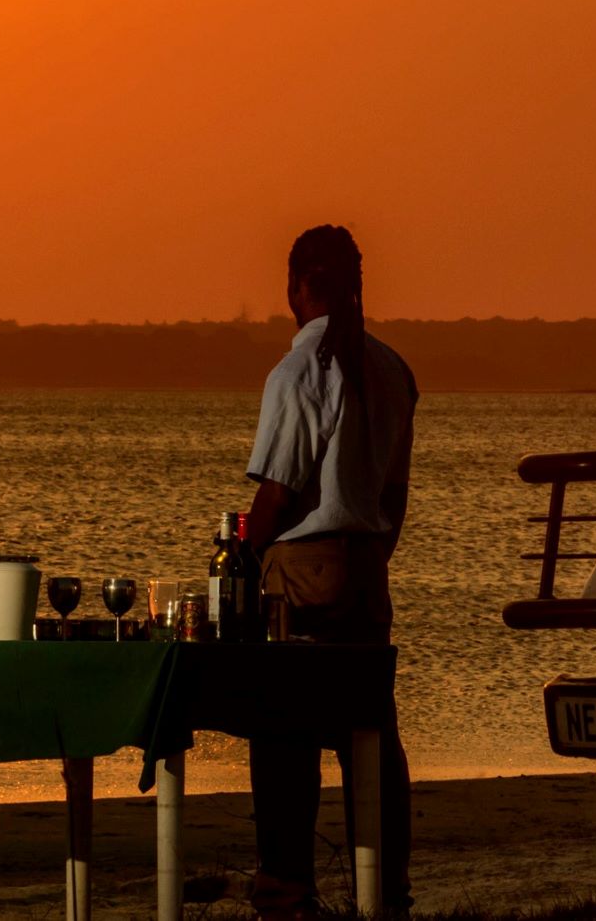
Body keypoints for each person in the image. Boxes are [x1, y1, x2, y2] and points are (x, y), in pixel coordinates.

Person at [242, 225, 418, 920]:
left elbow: (277, 493)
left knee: (281, 733)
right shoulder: (391, 369)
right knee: (371, 736)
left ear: (296, 286)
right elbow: (394, 494)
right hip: (369, 566)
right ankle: (386, 892)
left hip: (305, 571)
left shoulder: (297, 373)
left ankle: (286, 891)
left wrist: (245, 551)